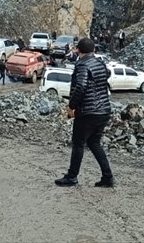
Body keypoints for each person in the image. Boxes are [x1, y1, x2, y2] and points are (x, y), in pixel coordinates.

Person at [55, 38, 115, 188]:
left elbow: (81, 86)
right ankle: (108, 177)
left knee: (78, 144)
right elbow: (106, 75)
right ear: (93, 50)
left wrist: (72, 106)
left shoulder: (82, 65)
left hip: (88, 112)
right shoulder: (100, 63)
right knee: (94, 143)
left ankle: (72, 177)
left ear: (78, 51)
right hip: (104, 110)